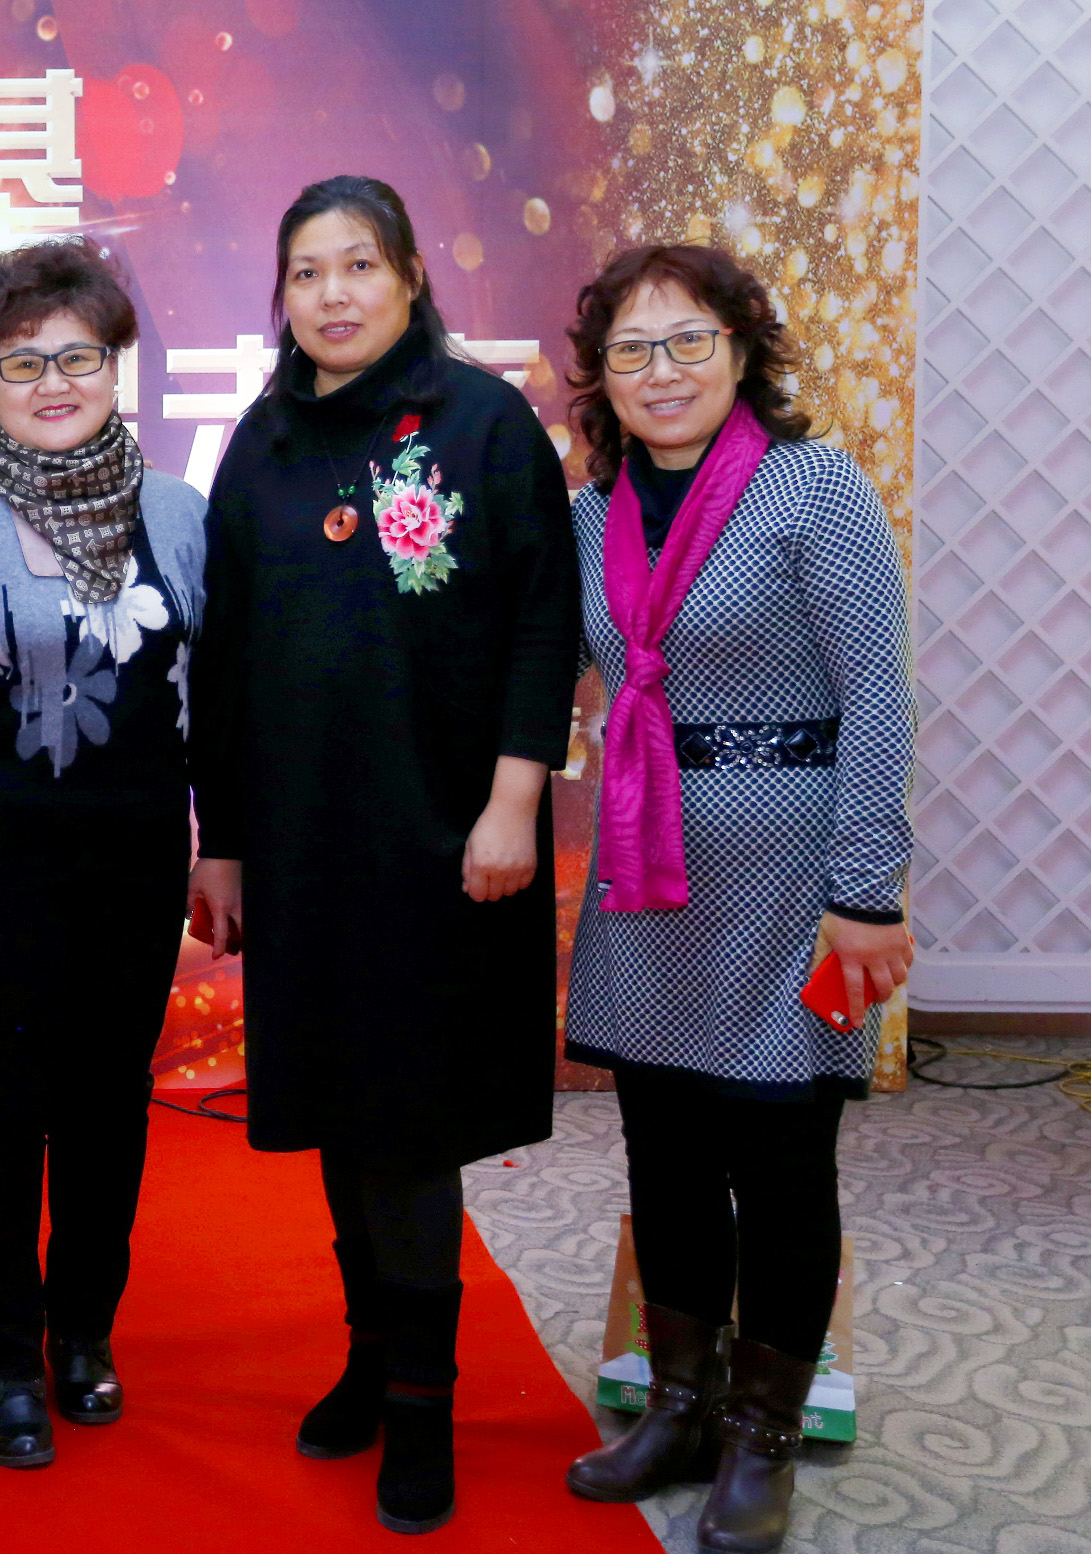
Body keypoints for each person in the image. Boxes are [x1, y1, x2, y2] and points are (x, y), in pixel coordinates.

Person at [187, 176, 581, 1535]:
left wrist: (514, 801)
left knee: (410, 1123)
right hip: (303, 849)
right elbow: (223, 658)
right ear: (282, 296)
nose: (333, 293)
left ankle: (422, 1401)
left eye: (358, 264)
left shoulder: (481, 423)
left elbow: (542, 620)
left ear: (410, 278)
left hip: (444, 839)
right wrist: (223, 841)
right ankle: (370, 1355)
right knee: (341, 1110)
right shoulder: (263, 439)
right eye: (307, 272)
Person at [556, 245, 913, 1554]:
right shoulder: (590, 513)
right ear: (599, 376)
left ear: (742, 351)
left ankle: (763, 1438)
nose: (660, 372)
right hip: (647, 880)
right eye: (630, 350)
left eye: (688, 341)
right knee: (661, 1154)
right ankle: (680, 1409)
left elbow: (876, 694)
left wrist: (862, 889)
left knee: (779, 1163)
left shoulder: (811, 487)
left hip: (789, 884)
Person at [0, 241, 203, 1469]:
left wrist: (222, 845)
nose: (53, 383)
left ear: (114, 369)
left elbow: (220, 697)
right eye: (23, 363)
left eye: (78, 358)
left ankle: (84, 1335)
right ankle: (6, 1355)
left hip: (133, 871)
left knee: (109, 1105)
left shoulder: (180, 515)